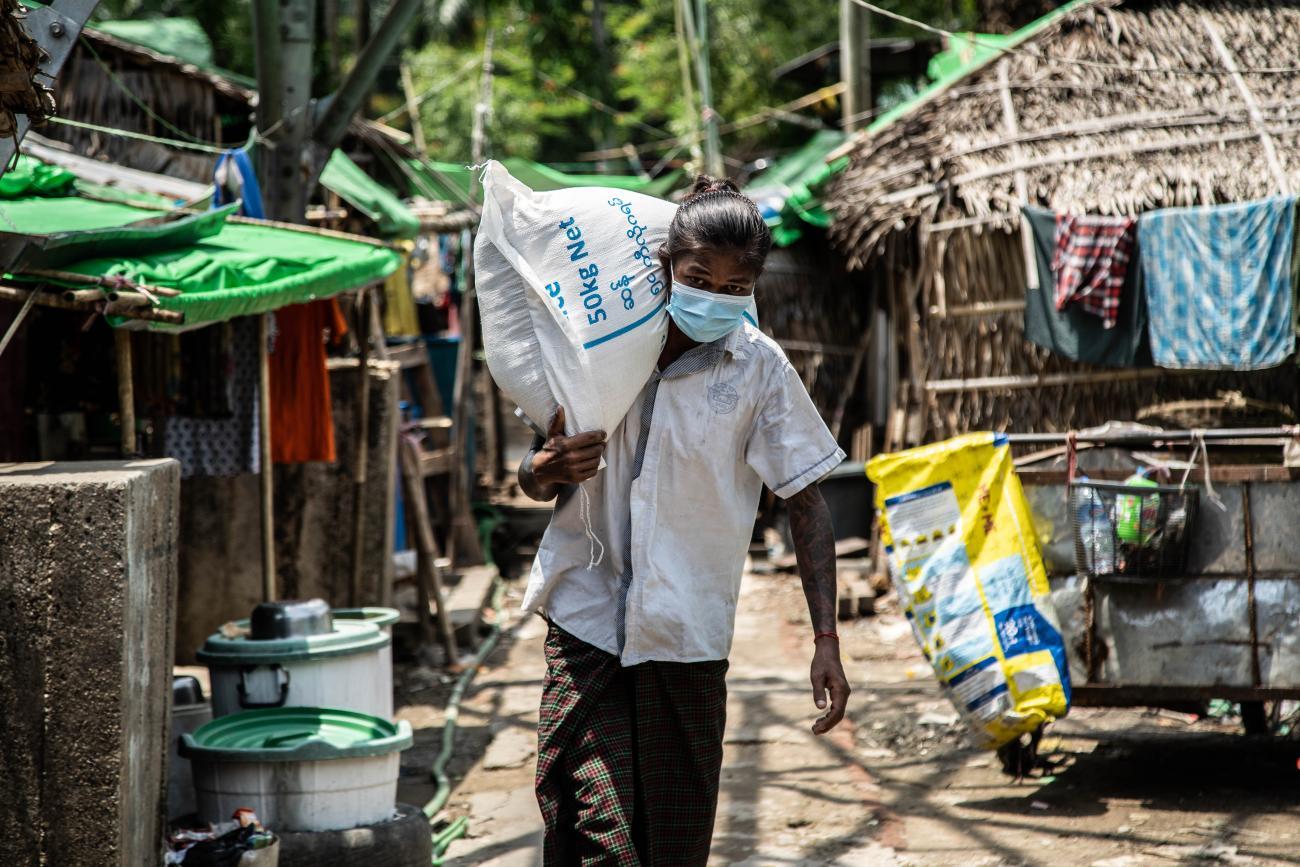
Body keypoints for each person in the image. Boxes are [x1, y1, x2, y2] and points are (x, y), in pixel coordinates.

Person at [518, 175, 850, 866]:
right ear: (666, 264)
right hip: (587, 622)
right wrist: (549, 467)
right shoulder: (602, 350)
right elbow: (531, 472)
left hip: (687, 636)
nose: (716, 295)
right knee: (596, 835)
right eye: (700, 276)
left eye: (736, 286)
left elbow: (807, 501)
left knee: (673, 842)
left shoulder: (760, 370)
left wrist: (826, 637)